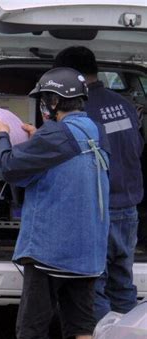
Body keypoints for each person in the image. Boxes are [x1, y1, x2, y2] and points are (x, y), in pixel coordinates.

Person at [0, 67, 110, 339]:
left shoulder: (55, 136)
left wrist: (2, 136)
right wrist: (39, 138)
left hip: (49, 251)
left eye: (44, 100)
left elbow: (7, 167)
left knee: (32, 327)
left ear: (53, 102)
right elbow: (65, 163)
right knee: (84, 324)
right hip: (88, 251)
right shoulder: (94, 130)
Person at [55, 46, 145, 321]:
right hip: (128, 209)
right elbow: (137, 147)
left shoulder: (80, 112)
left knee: (94, 289)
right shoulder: (124, 105)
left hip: (97, 210)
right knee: (122, 286)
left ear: (71, 76)